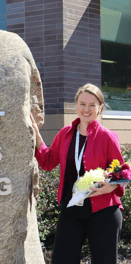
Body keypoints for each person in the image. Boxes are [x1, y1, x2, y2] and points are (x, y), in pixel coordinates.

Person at [31, 83, 129, 264]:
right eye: (82, 103)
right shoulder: (65, 134)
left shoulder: (107, 136)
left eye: (92, 105)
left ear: (100, 108)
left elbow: (122, 171)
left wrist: (112, 186)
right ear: (76, 105)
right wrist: (36, 136)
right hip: (71, 210)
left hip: (104, 211)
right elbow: (47, 161)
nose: (87, 109)